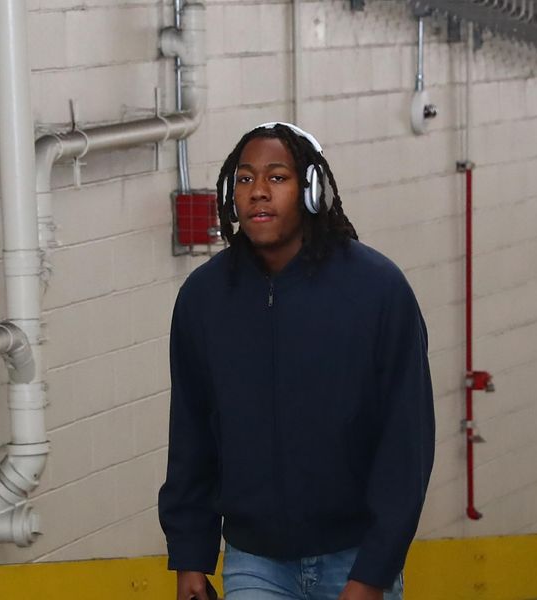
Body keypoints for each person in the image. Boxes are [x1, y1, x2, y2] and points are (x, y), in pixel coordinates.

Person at [159, 122, 435, 600]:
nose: (258, 192)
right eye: (244, 179)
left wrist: (373, 571)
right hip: (254, 558)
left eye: (277, 178)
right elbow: (191, 433)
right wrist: (190, 556)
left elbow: (406, 442)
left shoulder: (377, 290)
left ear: (311, 191)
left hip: (355, 556)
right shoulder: (203, 299)